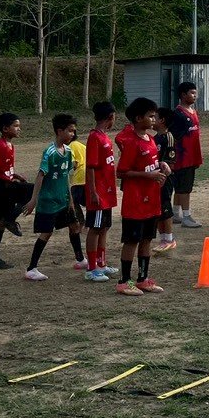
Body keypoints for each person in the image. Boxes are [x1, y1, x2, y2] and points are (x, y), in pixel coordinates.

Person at [115, 97, 169, 295]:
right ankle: (124, 281)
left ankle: (143, 279)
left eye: (155, 116)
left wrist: (161, 165)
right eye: (150, 116)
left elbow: (150, 164)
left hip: (151, 199)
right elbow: (121, 172)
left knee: (147, 239)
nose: (154, 119)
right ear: (138, 118)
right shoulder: (132, 142)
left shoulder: (150, 139)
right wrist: (149, 175)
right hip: (135, 201)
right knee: (132, 241)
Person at [22, 113, 84, 282]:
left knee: (74, 226)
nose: (73, 134)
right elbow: (40, 175)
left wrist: (70, 199)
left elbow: (66, 177)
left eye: (74, 131)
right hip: (49, 201)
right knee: (46, 233)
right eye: (70, 131)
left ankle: (80, 260)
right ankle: (31, 269)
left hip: (63, 199)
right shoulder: (49, 152)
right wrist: (33, 200)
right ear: (59, 131)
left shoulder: (69, 151)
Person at [0, 112, 31, 271]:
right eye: (15, 126)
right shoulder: (1, 146)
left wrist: (15, 175)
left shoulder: (9, 145)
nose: (19, 129)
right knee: (32, 191)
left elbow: (3, 169)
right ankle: (11, 218)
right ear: (5, 128)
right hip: (1, 187)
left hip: (6, 184)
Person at [84, 102, 118, 281]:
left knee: (104, 227)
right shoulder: (94, 137)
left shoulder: (104, 137)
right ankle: (91, 268)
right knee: (95, 228)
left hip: (108, 191)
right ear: (111, 117)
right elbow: (90, 167)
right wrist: (93, 191)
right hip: (99, 193)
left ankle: (101, 263)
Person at [169, 81, 203, 229]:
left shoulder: (193, 111)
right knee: (184, 188)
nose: (195, 96)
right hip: (182, 157)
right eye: (192, 93)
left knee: (181, 187)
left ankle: (176, 214)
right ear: (183, 95)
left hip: (192, 155)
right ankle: (186, 217)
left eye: (195, 93)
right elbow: (173, 136)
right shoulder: (178, 114)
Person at [152, 106, 178, 253]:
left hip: (165, 178)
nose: (152, 120)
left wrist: (163, 175)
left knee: (165, 205)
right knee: (158, 207)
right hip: (156, 177)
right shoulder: (154, 138)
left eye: (154, 117)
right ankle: (163, 239)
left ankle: (169, 239)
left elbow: (170, 161)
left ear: (161, 120)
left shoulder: (168, 138)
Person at [67, 123, 88, 266]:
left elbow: (74, 164)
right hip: (88, 178)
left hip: (79, 179)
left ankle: (82, 223)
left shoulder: (70, 147)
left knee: (73, 203)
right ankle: (86, 223)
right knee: (86, 203)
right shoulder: (82, 145)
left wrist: (67, 171)